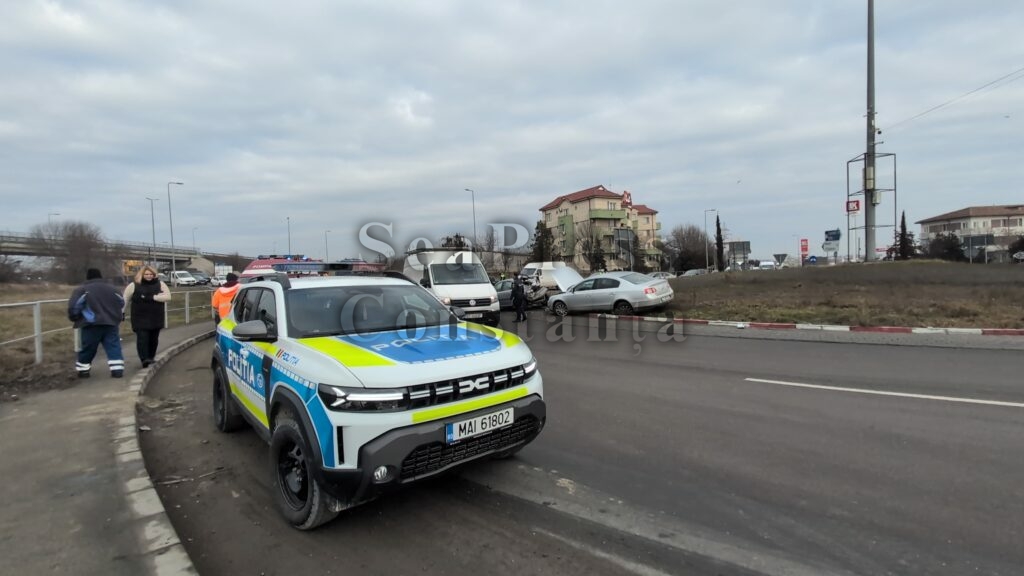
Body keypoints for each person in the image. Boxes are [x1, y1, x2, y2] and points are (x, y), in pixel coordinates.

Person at [67, 268, 126, 378]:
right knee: (113, 346)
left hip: (91, 323)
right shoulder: (113, 289)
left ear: (87, 277)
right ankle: (117, 370)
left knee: (88, 347)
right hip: (111, 322)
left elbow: (74, 306)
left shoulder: (82, 290)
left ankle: (83, 371)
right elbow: (121, 302)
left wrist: (75, 317)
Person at [123, 266, 171, 368]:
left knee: (153, 338)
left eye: (151, 274)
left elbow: (168, 297)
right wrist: (121, 312)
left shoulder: (160, 284)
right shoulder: (133, 285)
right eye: (146, 274)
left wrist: (154, 297)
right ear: (142, 275)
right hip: (139, 316)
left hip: (156, 316)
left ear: (154, 275)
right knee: (142, 338)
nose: (149, 276)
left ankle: (151, 357)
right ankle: (144, 359)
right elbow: (125, 299)